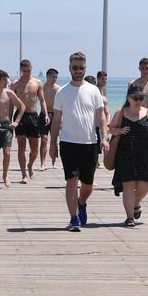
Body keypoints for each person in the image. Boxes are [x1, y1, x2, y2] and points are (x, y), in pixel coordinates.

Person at [50, 51, 108, 232]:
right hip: (68, 143)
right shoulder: (62, 92)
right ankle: (73, 218)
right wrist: (52, 144)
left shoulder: (93, 91)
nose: (78, 70)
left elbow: (102, 119)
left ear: (85, 68)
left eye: (81, 67)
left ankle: (82, 202)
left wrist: (104, 138)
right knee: (72, 180)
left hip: (89, 143)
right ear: (69, 68)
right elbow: (56, 120)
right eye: (74, 67)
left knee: (88, 185)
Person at [109, 84, 148, 226]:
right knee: (128, 185)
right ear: (128, 98)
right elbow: (111, 128)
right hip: (125, 153)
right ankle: (130, 217)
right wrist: (119, 130)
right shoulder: (121, 112)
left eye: (141, 98)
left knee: (144, 186)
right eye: (135, 98)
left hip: (145, 154)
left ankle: (135, 203)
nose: (138, 101)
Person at [10, 60, 44, 184]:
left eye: (28, 70)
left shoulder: (37, 83)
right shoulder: (15, 84)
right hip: (20, 116)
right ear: (20, 70)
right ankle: (24, 174)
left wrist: (45, 114)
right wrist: (9, 119)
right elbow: (10, 103)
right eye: (24, 71)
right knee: (21, 147)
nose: (26, 73)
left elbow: (42, 100)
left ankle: (30, 165)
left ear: (31, 69)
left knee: (35, 149)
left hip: (34, 116)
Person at [39, 68, 60, 170]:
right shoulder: (42, 88)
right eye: (53, 77)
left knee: (54, 139)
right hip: (44, 114)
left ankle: (53, 162)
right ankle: (42, 163)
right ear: (47, 76)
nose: (55, 79)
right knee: (44, 139)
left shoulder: (58, 89)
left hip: (56, 115)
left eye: (56, 77)